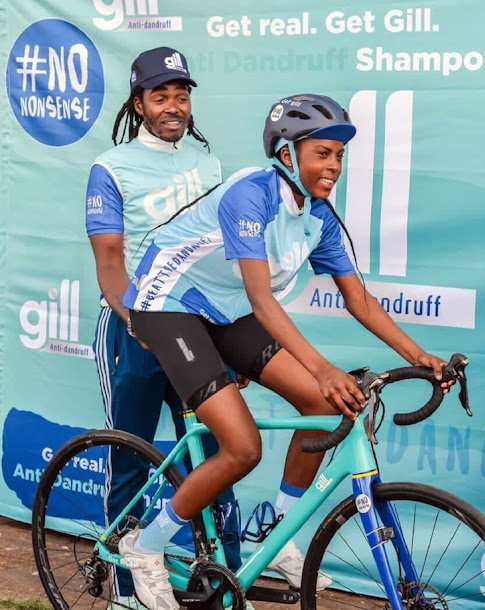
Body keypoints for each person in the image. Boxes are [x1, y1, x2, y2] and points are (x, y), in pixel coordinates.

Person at [115, 93, 452, 610]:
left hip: (222, 307)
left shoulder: (317, 215)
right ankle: (145, 546)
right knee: (242, 447)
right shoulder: (252, 195)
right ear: (288, 155)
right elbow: (260, 297)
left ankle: (272, 535)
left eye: (339, 156)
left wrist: (419, 353)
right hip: (170, 302)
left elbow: (356, 297)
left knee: (323, 407)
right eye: (323, 153)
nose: (334, 166)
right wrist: (322, 368)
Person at [85, 47, 244, 607]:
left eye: (181, 95)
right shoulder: (110, 167)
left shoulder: (210, 166)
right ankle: (128, 591)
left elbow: (220, 255)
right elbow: (109, 260)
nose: (173, 105)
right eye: (161, 96)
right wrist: (140, 319)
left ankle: (222, 583)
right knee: (130, 455)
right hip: (130, 328)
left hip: (194, 329)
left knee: (210, 450)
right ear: (139, 102)